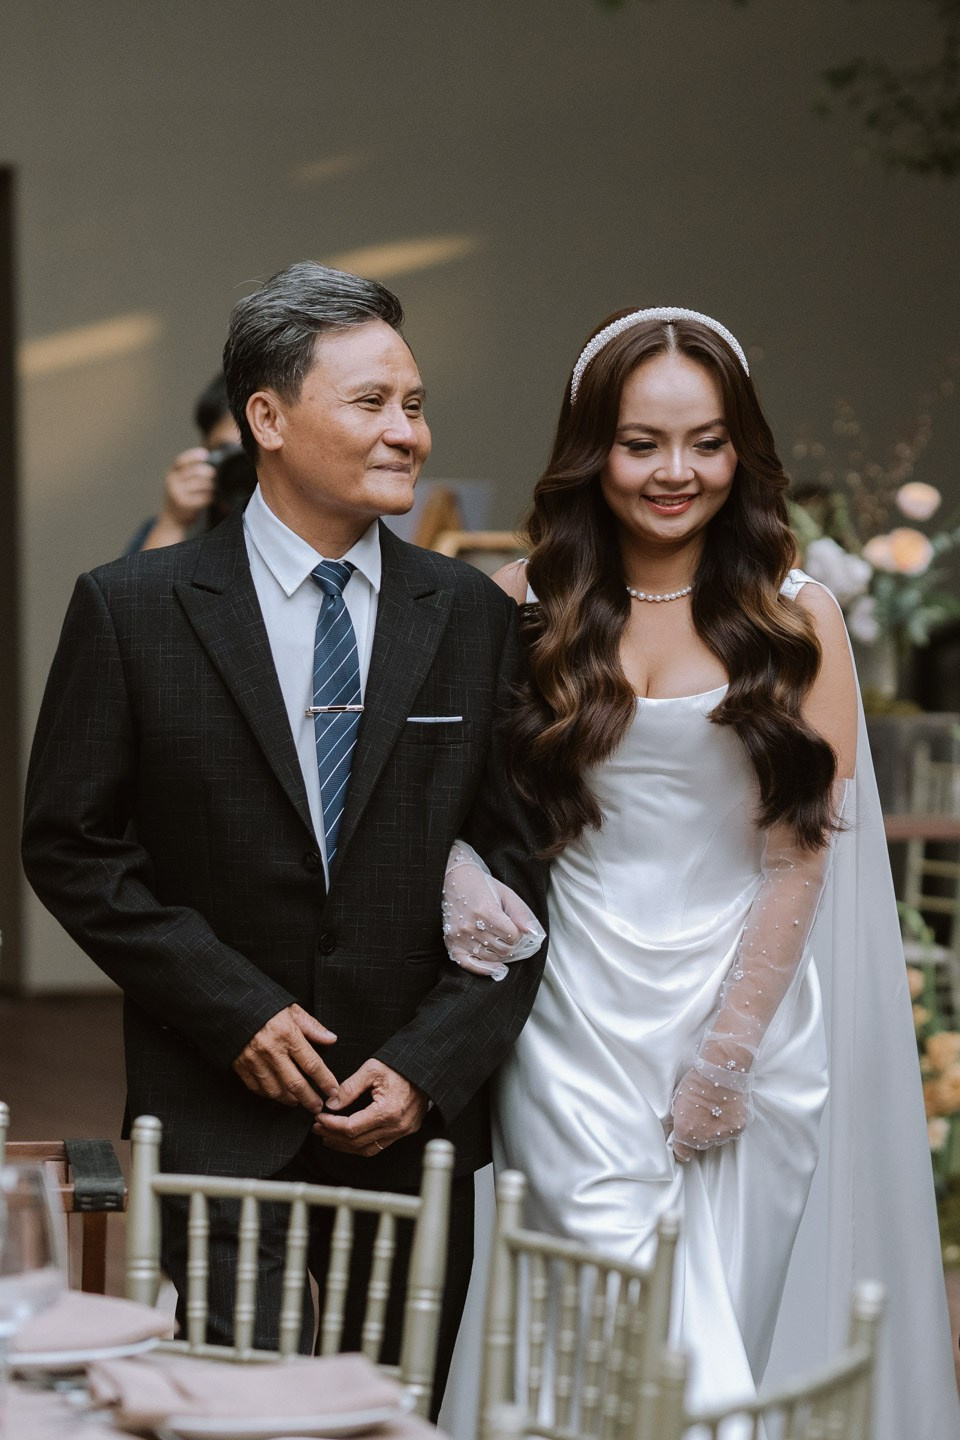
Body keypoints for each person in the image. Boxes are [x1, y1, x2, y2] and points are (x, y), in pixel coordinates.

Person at [21, 261, 547, 1405]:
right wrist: (235, 1010)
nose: (409, 432)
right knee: (237, 1413)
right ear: (266, 416)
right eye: (373, 402)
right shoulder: (133, 608)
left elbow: (521, 868)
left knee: (392, 1416)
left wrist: (430, 1065)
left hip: (410, 1125)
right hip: (215, 1113)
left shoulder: (470, 616)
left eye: (415, 404)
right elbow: (70, 844)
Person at [452, 307, 958, 1436]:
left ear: (743, 450)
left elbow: (801, 856)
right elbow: (447, 797)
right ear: (593, 449)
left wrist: (728, 1054)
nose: (675, 472)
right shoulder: (519, 603)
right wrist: (455, 870)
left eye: (707, 442)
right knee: (595, 1325)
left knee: (724, 1328)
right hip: (570, 1019)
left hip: (754, 1015)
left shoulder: (797, 616)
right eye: (641, 443)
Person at [126, 373, 244, 552]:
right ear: (204, 452)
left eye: (253, 452)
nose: (242, 468)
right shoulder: (186, 523)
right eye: (229, 452)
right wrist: (173, 523)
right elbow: (145, 571)